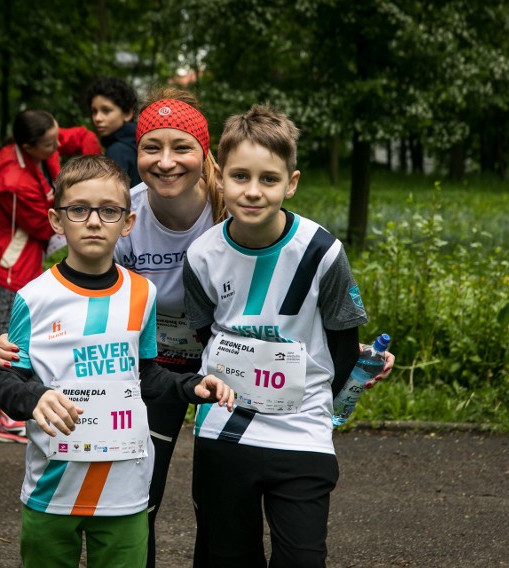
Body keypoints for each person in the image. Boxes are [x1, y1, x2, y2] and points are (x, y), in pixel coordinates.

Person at [0, 90, 394, 566]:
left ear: (206, 158)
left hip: (215, 371)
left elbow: (285, 289)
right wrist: (20, 350)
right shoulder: (121, 211)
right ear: (136, 154)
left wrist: (337, 350)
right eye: (150, 147)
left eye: (180, 147)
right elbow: (80, 295)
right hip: (149, 366)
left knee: (234, 521)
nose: (165, 162)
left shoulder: (237, 202)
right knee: (141, 504)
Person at [0, 154, 234, 568]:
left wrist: (191, 386)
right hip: (53, 489)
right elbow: (4, 381)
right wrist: (34, 398)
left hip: (125, 490)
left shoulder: (142, 295)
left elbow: (147, 375)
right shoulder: (33, 297)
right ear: (55, 220)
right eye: (78, 210)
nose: (94, 221)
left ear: (128, 222)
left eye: (109, 211)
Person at [184, 104, 377, 567]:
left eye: (269, 179)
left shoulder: (323, 252)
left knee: (303, 559)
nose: (253, 192)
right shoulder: (201, 254)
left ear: (291, 182)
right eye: (240, 177)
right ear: (219, 177)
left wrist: (320, 401)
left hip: (302, 431)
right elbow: (202, 334)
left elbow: (343, 345)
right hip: (224, 431)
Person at [0, 109, 101, 443]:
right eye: (50, 143)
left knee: (10, 329)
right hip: (10, 260)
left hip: (19, 254)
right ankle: (8, 415)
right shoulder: (13, 182)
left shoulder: (41, 145)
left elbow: (80, 137)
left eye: (57, 136)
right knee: (12, 337)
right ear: (30, 147)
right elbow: (44, 226)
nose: (58, 144)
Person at [86, 77, 141, 186]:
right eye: (94, 111)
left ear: (128, 114)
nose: (97, 118)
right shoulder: (140, 141)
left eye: (106, 111)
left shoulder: (117, 150)